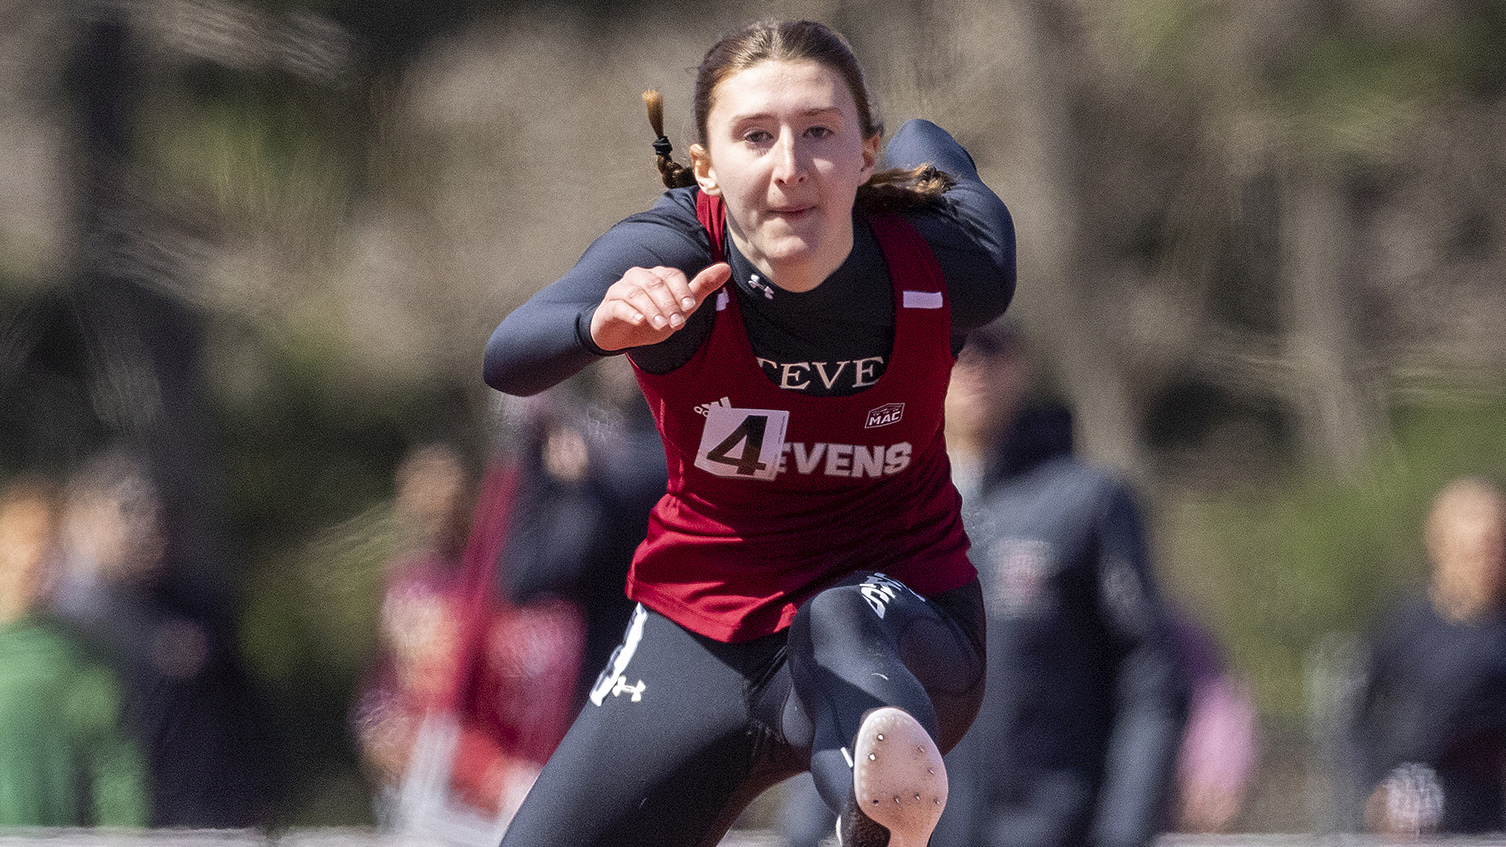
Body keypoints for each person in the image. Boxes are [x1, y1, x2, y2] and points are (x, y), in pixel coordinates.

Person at [482, 18, 1015, 847]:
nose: (790, 167)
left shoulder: (942, 260)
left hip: (902, 626)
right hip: (704, 633)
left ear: (866, 154)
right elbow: (509, 354)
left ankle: (882, 818)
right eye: (755, 137)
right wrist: (601, 323)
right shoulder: (674, 248)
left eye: (819, 133)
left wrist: (920, 138)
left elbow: (940, 154)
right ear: (706, 165)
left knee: (835, 616)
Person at [921, 320, 1188, 847]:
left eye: (991, 347)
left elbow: (1151, 680)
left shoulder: (1088, 503)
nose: (973, 365)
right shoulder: (888, 507)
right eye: (955, 347)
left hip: (1052, 826)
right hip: (920, 829)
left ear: (1021, 365)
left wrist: (1124, 828)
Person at [49, 450, 278, 828]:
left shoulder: (200, 608)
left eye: (151, 509)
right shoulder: (66, 626)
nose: (145, 524)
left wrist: (261, 794)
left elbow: (244, 713)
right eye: (127, 510)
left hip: (212, 817)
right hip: (112, 823)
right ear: (84, 520)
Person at [1350, 476, 1506, 836]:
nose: (1487, 560)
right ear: (1441, 547)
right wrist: (1375, 787)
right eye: (1474, 550)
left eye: (1496, 546)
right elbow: (1360, 716)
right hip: (1423, 800)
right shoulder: (1406, 626)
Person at [0, 475, 149, 827]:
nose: (35, 556)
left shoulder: (85, 662)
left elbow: (117, 772)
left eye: (49, 544)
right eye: (23, 541)